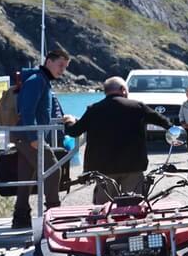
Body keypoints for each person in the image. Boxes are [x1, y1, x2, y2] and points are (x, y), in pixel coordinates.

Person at [67, 76, 170, 203]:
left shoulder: (94, 109)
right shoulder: (138, 107)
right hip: (133, 166)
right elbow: (164, 122)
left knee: (105, 211)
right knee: (134, 208)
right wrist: (175, 131)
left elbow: (74, 131)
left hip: (103, 169)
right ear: (123, 89)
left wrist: (69, 122)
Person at [10, 45, 76, 228]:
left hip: (25, 136)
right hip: (29, 137)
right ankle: (54, 214)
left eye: (65, 67)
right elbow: (27, 111)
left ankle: (20, 217)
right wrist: (34, 137)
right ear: (49, 62)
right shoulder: (37, 80)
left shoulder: (41, 80)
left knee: (26, 176)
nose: (62, 70)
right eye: (60, 65)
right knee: (53, 170)